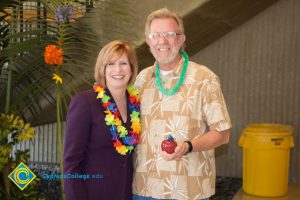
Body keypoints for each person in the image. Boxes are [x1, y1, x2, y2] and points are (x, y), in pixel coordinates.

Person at [133, 8, 232, 200]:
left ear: (181, 39)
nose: (162, 41)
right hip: (144, 188)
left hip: (188, 190)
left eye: (170, 35)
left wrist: (188, 146)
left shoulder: (205, 78)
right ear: (148, 41)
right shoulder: (142, 79)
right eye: (156, 35)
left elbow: (222, 134)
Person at [63, 40, 141, 200]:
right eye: (110, 64)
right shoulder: (85, 102)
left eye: (123, 63)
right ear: (102, 69)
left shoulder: (135, 104)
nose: (118, 70)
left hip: (125, 194)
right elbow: (71, 164)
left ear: (132, 68)